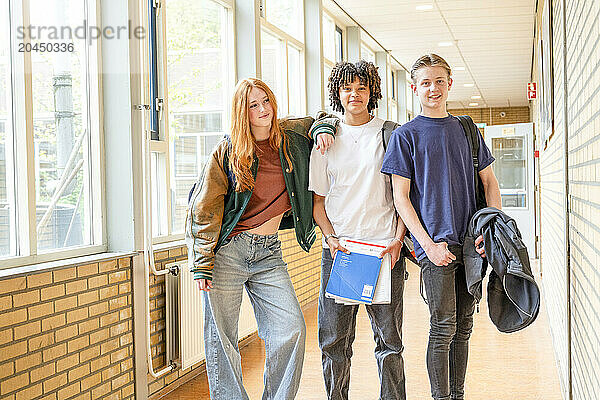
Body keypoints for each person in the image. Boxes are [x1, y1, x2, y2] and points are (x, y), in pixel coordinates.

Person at [185, 78, 337, 400]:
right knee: (222, 339)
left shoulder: (291, 136)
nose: (263, 109)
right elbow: (204, 207)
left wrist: (324, 129)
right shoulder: (227, 152)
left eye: (266, 100)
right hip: (228, 253)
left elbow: (322, 117)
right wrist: (202, 263)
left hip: (269, 254)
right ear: (243, 112)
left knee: (291, 330)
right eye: (254, 105)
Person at [381, 54, 502, 400]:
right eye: (425, 83)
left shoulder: (467, 129)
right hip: (434, 248)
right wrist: (427, 246)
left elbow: (491, 183)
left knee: (464, 326)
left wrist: (489, 231)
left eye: (439, 81)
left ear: (449, 84)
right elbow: (401, 199)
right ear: (414, 88)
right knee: (442, 327)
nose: (433, 88)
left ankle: (457, 395)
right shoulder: (406, 137)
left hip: (471, 245)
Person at [309, 60, 408, 400]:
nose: (355, 94)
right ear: (338, 92)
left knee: (389, 342)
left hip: (383, 251)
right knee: (335, 341)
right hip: (342, 254)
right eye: (347, 88)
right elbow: (318, 205)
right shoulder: (325, 140)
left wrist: (398, 241)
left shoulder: (391, 134)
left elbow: (402, 198)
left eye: (362, 88)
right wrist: (330, 237)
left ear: (372, 92)